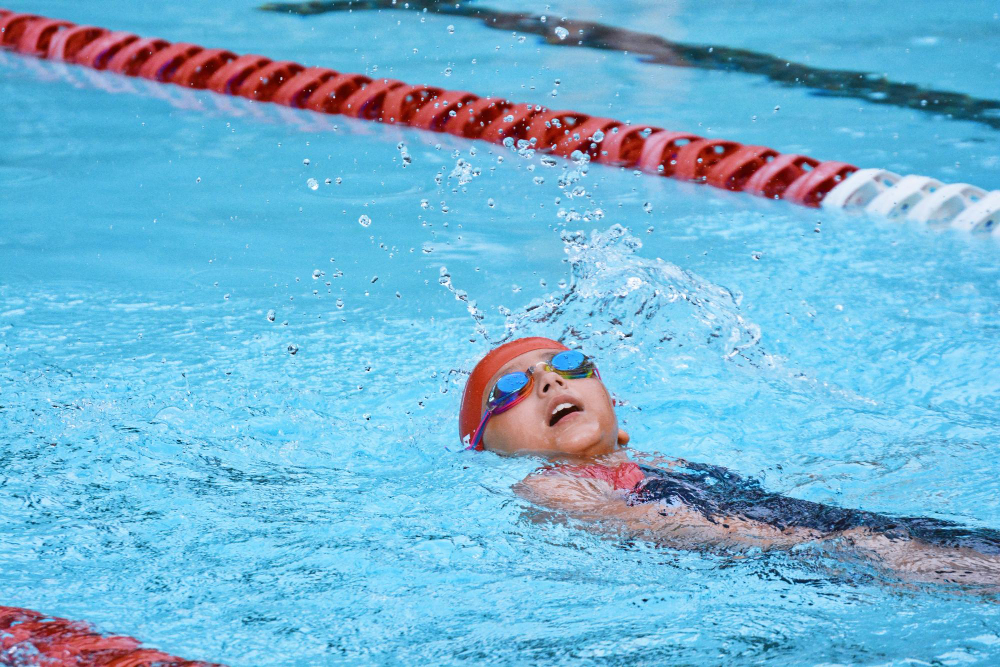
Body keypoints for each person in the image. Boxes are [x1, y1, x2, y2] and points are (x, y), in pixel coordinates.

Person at [459, 337, 1000, 588]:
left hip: (825, 531)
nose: (550, 380)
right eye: (508, 390)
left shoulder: (654, 461)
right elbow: (650, 527)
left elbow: (775, 491)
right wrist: (822, 544)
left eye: (571, 365)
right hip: (802, 555)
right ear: (490, 449)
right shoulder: (550, 486)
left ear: (619, 421)